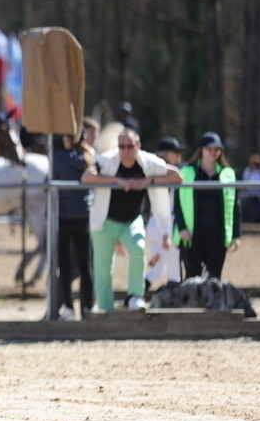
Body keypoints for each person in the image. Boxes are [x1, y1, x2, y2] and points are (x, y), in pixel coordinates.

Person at [81, 128, 181, 313]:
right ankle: (105, 309)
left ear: (138, 146)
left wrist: (149, 180)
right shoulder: (107, 161)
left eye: (129, 146)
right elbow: (87, 177)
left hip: (132, 220)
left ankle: (136, 296)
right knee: (102, 269)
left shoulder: (147, 162)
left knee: (138, 249)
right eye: (121, 146)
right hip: (105, 221)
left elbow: (177, 175)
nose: (125, 150)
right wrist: (117, 180)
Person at [174, 132, 241, 279]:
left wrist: (236, 234)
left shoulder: (228, 174)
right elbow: (177, 204)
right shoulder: (186, 172)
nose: (213, 152)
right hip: (193, 234)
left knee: (214, 278)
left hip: (218, 234)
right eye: (209, 149)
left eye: (217, 149)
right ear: (201, 150)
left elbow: (235, 205)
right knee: (192, 276)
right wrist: (182, 228)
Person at [52, 117, 100, 320]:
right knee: (85, 265)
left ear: (66, 138)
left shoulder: (59, 158)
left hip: (63, 217)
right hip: (84, 217)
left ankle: (69, 308)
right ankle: (88, 306)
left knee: (64, 265)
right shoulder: (89, 158)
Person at [144, 135, 186, 290]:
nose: (179, 155)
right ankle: (174, 302)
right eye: (175, 151)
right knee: (175, 269)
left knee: (159, 268)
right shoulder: (167, 172)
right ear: (165, 154)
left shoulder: (150, 170)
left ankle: (133, 295)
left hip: (153, 223)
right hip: (167, 223)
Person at [241, 153, 260, 224]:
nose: (255, 164)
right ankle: (254, 224)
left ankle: (259, 224)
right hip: (251, 194)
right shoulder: (248, 171)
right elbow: (245, 182)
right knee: (253, 211)